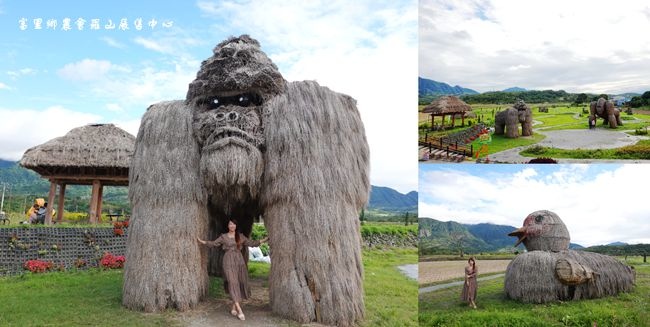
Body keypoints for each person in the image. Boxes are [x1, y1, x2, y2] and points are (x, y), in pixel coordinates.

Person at [197, 220, 268, 321]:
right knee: (232, 282)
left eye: (234, 224)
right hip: (228, 261)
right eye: (230, 224)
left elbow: (251, 243)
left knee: (239, 282)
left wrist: (264, 240)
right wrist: (202, 241)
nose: (232, 225)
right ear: (228, 225)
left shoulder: (240, 236)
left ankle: (234, 306)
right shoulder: (223, 237)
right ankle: (240, 310)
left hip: (239, 261)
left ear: (236, 225)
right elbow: (214, 243)